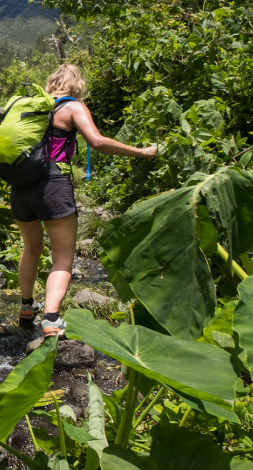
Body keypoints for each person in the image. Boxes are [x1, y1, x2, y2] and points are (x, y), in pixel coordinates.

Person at [15, 65, 156, 338]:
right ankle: (52, 321)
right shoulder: (72, 107)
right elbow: (97, 142)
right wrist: (142, 152)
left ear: (51, 82)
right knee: (63, 258)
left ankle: (25, 307)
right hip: (53, 184)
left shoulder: (32, 107)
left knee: (30, 248)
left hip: (20, 186)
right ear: (76, 85)